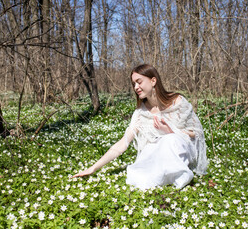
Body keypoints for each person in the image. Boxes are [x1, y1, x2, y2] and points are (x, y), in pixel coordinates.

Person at [72, 64, 208, 189]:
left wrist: (171, 132)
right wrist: (93, 168)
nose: (136, 87)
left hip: (180, 150)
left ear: (153, 81)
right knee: (141, 170)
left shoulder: (176, 101)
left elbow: (196, 133)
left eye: (139, 82)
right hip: (158, 154)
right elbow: (122, 144)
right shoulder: (140, 113)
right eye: (133, 84)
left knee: (170, 140)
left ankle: (180, 177)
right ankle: (164, 178)